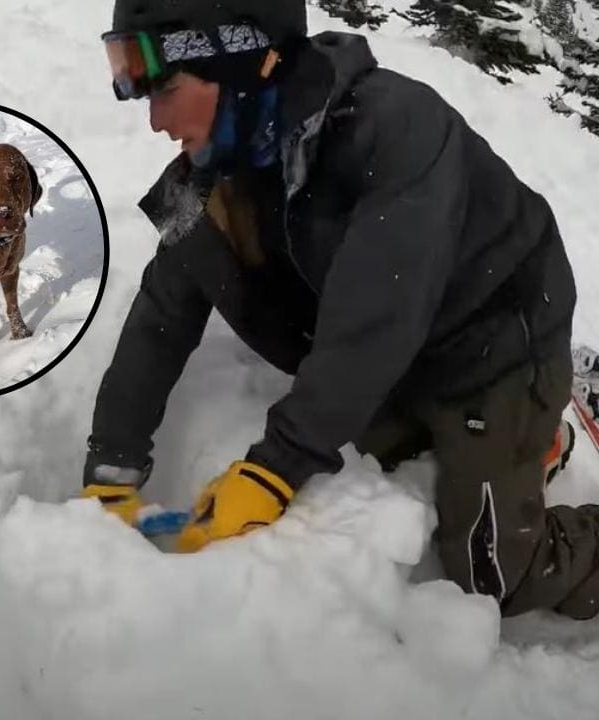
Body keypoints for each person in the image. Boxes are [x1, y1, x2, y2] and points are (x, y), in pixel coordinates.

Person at [83, 0, 599, 620]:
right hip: (402, 349)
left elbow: (377, 319)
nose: (156, 121)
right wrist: (112, 463)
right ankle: (520, 447)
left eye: (166, 88)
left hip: (495, 344)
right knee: (387, 466)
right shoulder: (220, 172)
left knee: (490, 576)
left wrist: (273, 470)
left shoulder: (398, 129)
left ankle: (531, 427)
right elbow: (162, 315)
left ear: (248, 61)